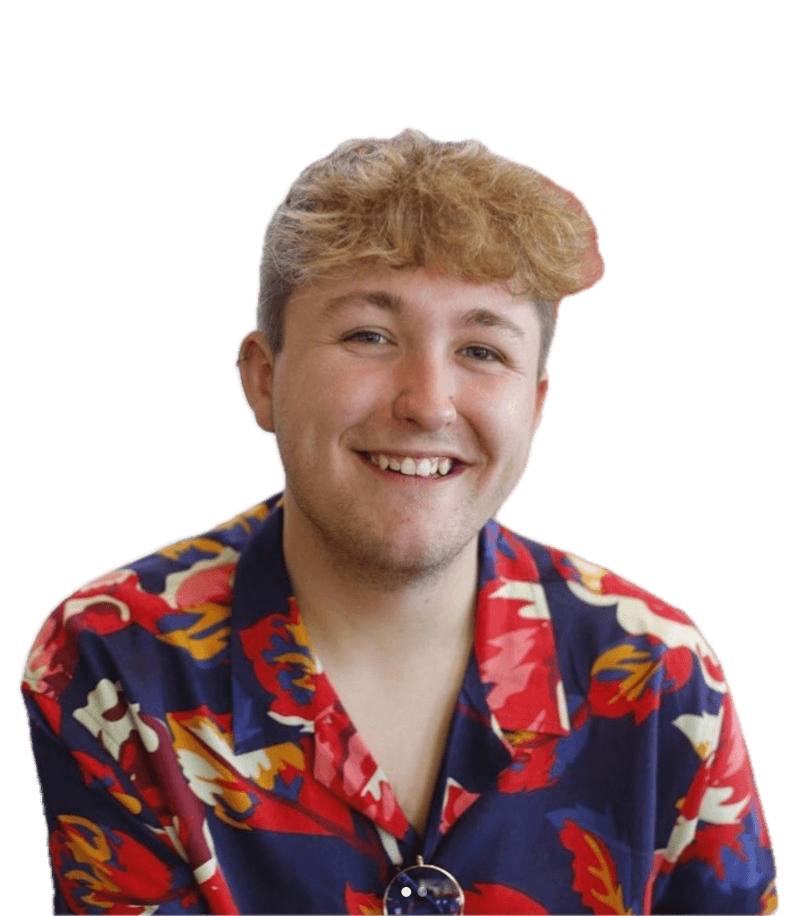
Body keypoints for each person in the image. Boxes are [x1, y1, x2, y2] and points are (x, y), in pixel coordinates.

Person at [20, 128, 778, 915]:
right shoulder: (116, 657)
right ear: (264, 380)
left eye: (482, 350)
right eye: (369, 336)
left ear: (535, 408)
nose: (427, 403)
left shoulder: (660, 671)